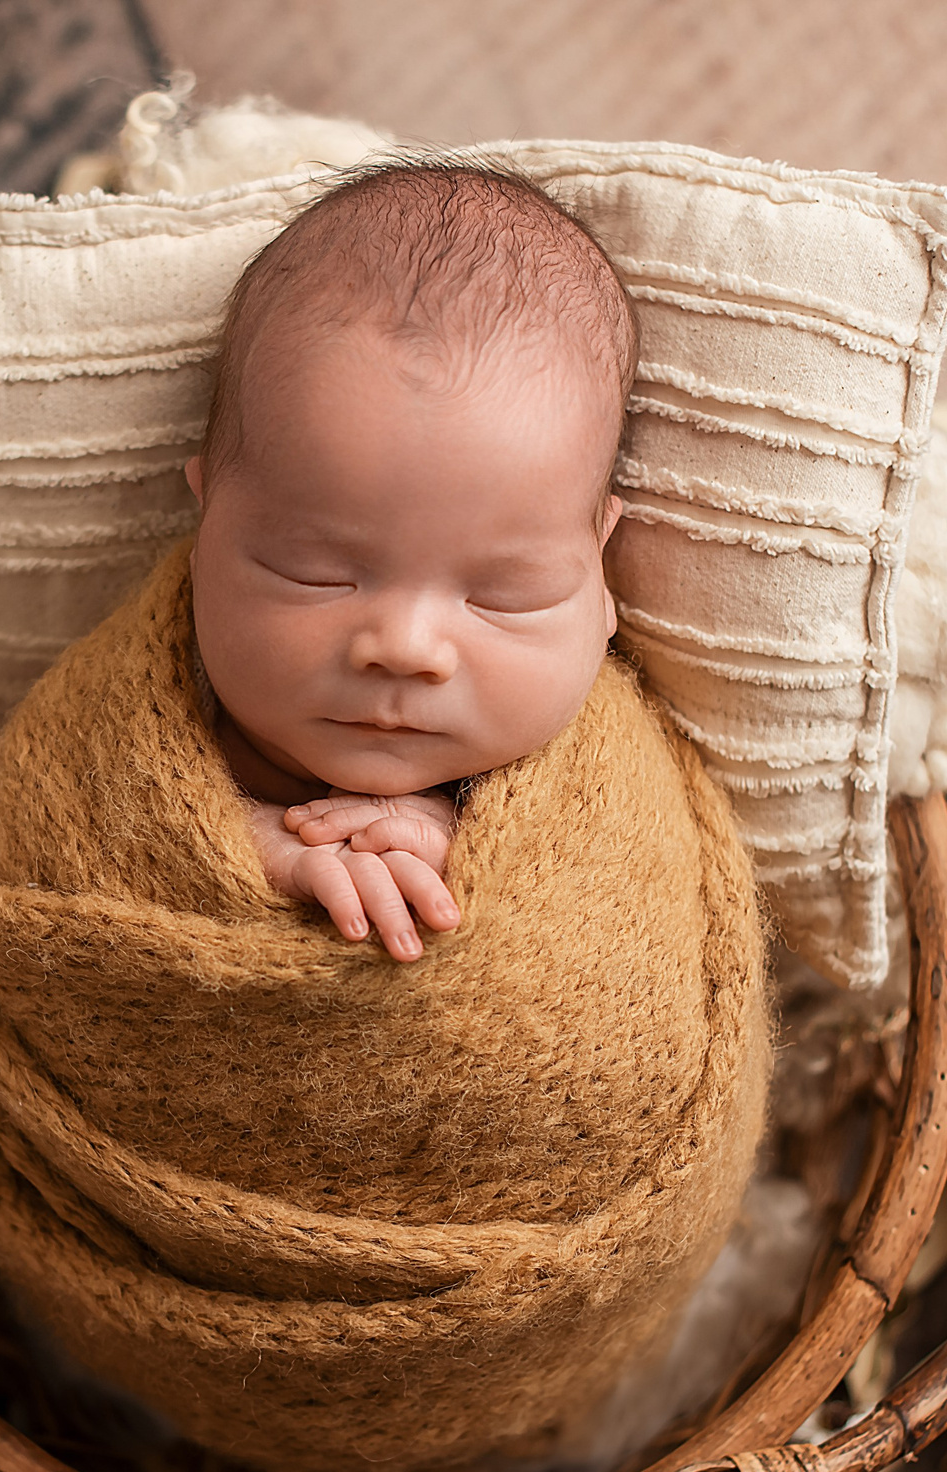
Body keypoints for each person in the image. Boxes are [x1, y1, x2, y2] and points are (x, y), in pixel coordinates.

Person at [182, 158, 638, 961]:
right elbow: (43, 836)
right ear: (202, 527)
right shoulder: (141, 723)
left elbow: (651, 898)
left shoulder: (605, 773)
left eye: (503, 595)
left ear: (599, 575)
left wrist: (481, 851)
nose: (404, 647)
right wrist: (236, 852)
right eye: (315, 574)